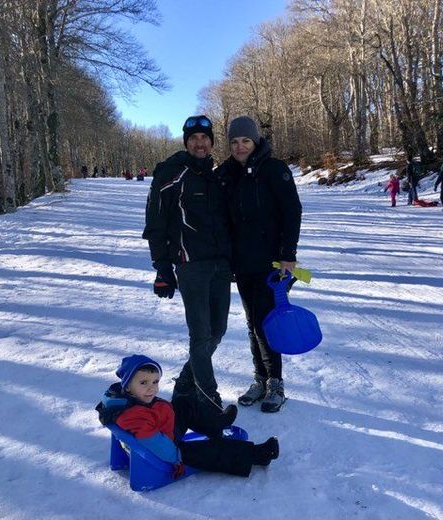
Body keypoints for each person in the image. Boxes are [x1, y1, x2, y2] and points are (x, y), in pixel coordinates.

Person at [142, 115, 232, 411]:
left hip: (220, 265)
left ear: (211, 142)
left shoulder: (217, 175)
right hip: (190, 265)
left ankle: (184, 382)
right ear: (186, 142)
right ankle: (208, 396)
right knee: (201, 333)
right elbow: (155, 224)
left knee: (217, 331)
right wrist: (162, 268)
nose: (200, 143)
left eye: (205, 138)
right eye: (193, 138)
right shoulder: (170, 173)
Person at [219, 116, 302, 413]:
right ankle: (260, 379)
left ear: (255, 141)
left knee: (268, 321)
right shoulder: (227, 173)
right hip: (242, 263)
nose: (240, 147)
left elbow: (292, 211)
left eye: (245, 141)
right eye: (234, 142)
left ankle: (275, 383)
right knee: (253, 322)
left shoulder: (274, 169)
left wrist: (287, 255)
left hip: (271, 263)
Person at [96, 355, 279, 478]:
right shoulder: (133, 415)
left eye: (155, 382)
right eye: (143, 382)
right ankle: (259, 455)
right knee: (213, 451)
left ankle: (217, 422)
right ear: (127, 385)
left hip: (162, 429)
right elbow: (154, 442)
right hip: (167, 450)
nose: (151, 387)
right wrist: (177, 457)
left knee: (184, 404)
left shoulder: (123, 399)